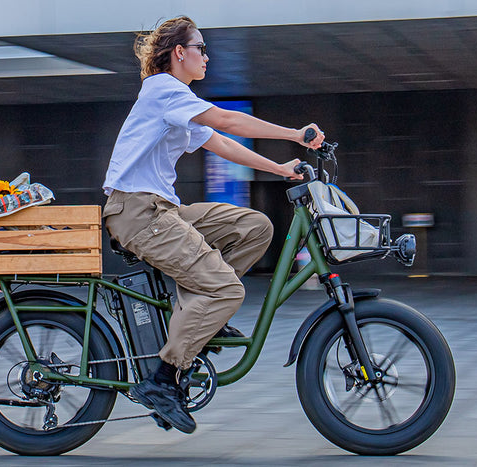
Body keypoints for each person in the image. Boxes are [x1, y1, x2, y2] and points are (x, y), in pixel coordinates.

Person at [102, 16, 324, 433]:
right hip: (138, 212)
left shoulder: (177, 99)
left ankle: (199, 312)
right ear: (179, 53)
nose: (207, 55)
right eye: (201, 48)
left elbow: (220, 142)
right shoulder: (164, 89)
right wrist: (295, 135)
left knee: (253, 227)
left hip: (159, 210)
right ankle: (163, 381)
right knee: (226, 288)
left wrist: (278, 168)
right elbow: (225, 121)